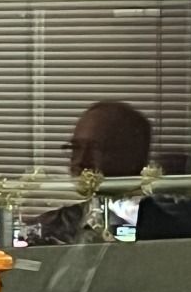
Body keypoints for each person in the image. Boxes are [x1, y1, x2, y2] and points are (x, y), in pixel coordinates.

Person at [31, 101, 153, 245]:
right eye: (76, 148)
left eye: (95, 149)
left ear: (133, 156)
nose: (81, 161)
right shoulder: (49, 228)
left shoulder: (164, 228)